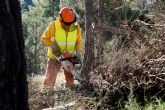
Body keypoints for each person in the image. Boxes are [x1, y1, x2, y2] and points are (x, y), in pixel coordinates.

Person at [41, 7, 83, 88]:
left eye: (71, 23)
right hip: (55, 56)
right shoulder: (53, 26)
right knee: (49, 79)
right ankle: (46, 92)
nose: (69, 25)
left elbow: (79, 41)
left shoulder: (76, 27)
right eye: (67, 23)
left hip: (69, 57)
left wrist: (78, 51)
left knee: (70, 81)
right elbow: (44, 38)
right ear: (61, 19)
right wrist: (53, 46)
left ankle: (70, 93)